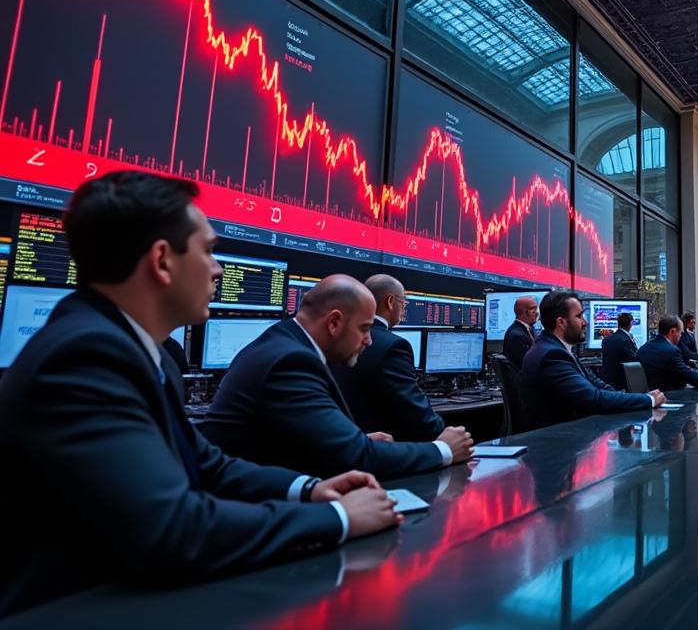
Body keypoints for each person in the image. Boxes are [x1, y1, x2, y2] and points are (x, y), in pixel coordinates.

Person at [0, 172, 400, 617]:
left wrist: (309, 490)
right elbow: (172, 528)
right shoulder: (84, 357)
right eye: (208, 251)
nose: (218, 269)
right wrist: (338, 519)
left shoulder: (139, 350)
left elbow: (205, 462)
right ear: (162, 261)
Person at [201, 275, 474, 479]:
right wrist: (444, 449)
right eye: (364, 329)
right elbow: (357, 458)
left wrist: (358, 440)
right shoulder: (290, 362)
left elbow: (286, 443)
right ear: (334, 322)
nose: (369, 341)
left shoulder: (283, 342)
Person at [518, 291, 666, 431]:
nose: (585, 322)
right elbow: (593, 398)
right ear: (561, 322)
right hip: (557, 441)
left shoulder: (557, 348)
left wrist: (633, 398)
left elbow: (598, 385)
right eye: (579, 316)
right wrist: (649, 400)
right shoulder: (551, 355)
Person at [332, 274, 445, 442]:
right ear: (390, 302)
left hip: (342, 438)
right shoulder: (393, 346)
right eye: (403, 303)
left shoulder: (337, 336)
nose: (403, 309)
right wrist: (446, 436)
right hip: (385, 446)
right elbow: (419, 417)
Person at [637, 316, 698, 391]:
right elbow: (690, 377)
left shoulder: (643, 349)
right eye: (680, 333)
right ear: (672, 331)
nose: (681, 336)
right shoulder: (671, 351)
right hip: (669, 398)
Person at [599, 311, 639, 390]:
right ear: (630, 323)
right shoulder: (626, 340)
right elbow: (634, 359)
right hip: (621, 383)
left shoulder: (606, 340)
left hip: (606, 381)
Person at [502, 295, 539, 370]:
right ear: (522, 312)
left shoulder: (529, 329)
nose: (537, 313)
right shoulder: (517, 336)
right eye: (533, 309)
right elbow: (528, 364)